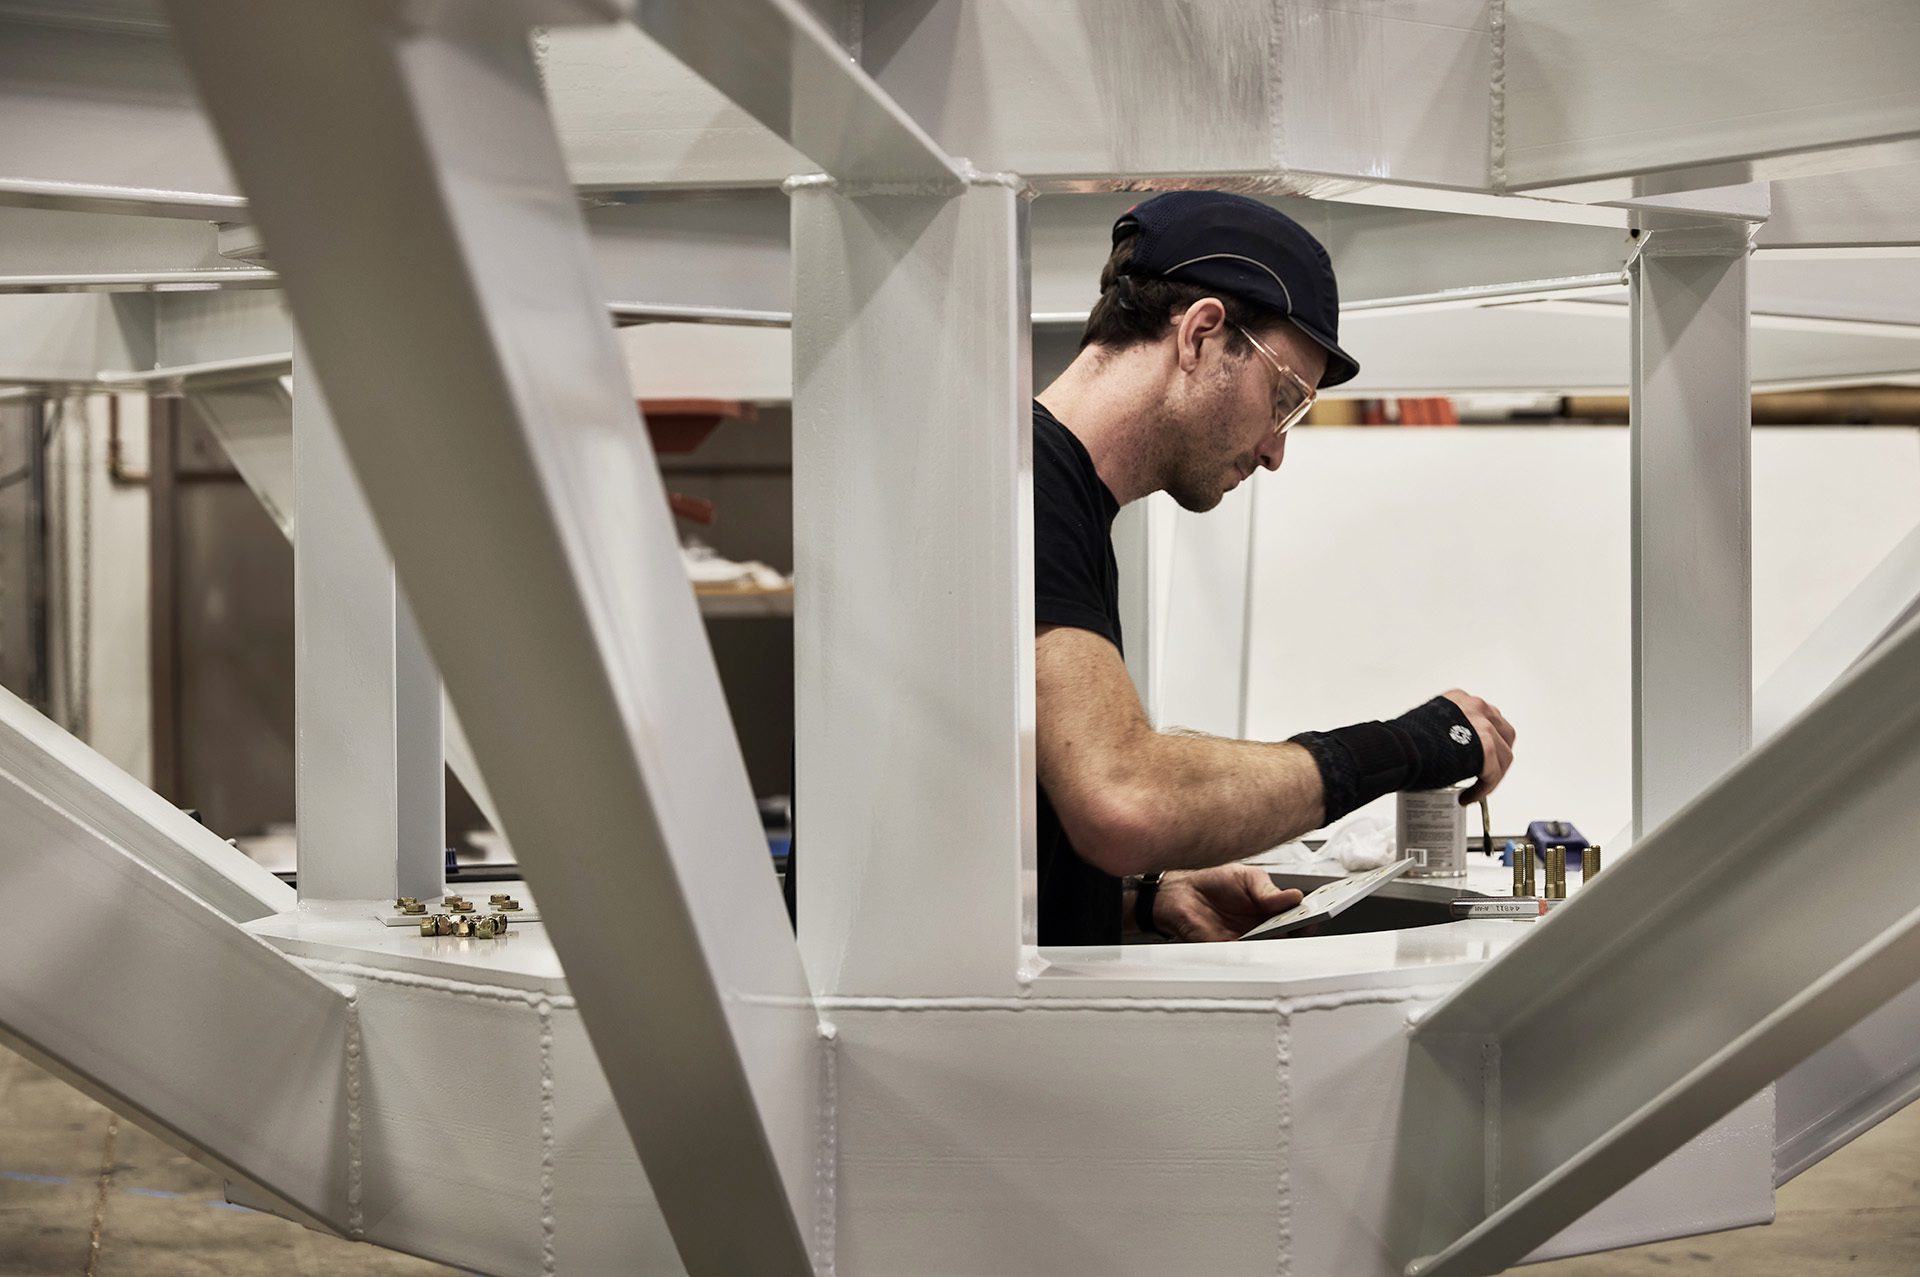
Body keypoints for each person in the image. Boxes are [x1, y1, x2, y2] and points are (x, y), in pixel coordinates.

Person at [1034, 190, 1516, 946]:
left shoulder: (1066, 498)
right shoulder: (1032, 479)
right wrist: (1406, 746)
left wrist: (1139, 901)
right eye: (1283, 398)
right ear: (1199, 334)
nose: (1274, 450)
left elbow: (1015, 829)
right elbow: (1121, 799)